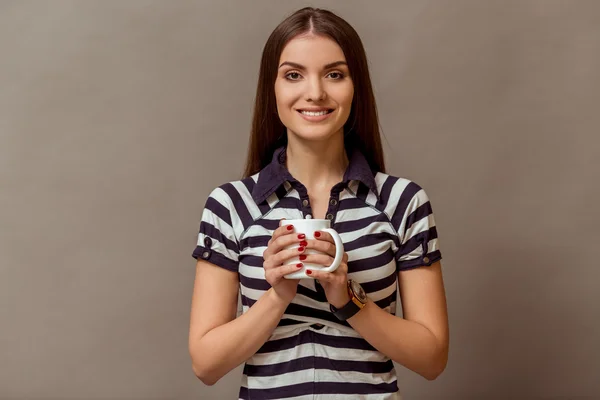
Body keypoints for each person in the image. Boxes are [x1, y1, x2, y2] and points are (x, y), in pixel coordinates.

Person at [188, 7, 448, 399]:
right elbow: (206, 365)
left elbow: (432, 358)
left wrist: (349, 297)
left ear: (355, 86)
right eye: (294, 75)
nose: (315, 93)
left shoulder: (402, 201)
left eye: (334, 74)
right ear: (271, 87)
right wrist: (277, 294)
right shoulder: (230, 205)